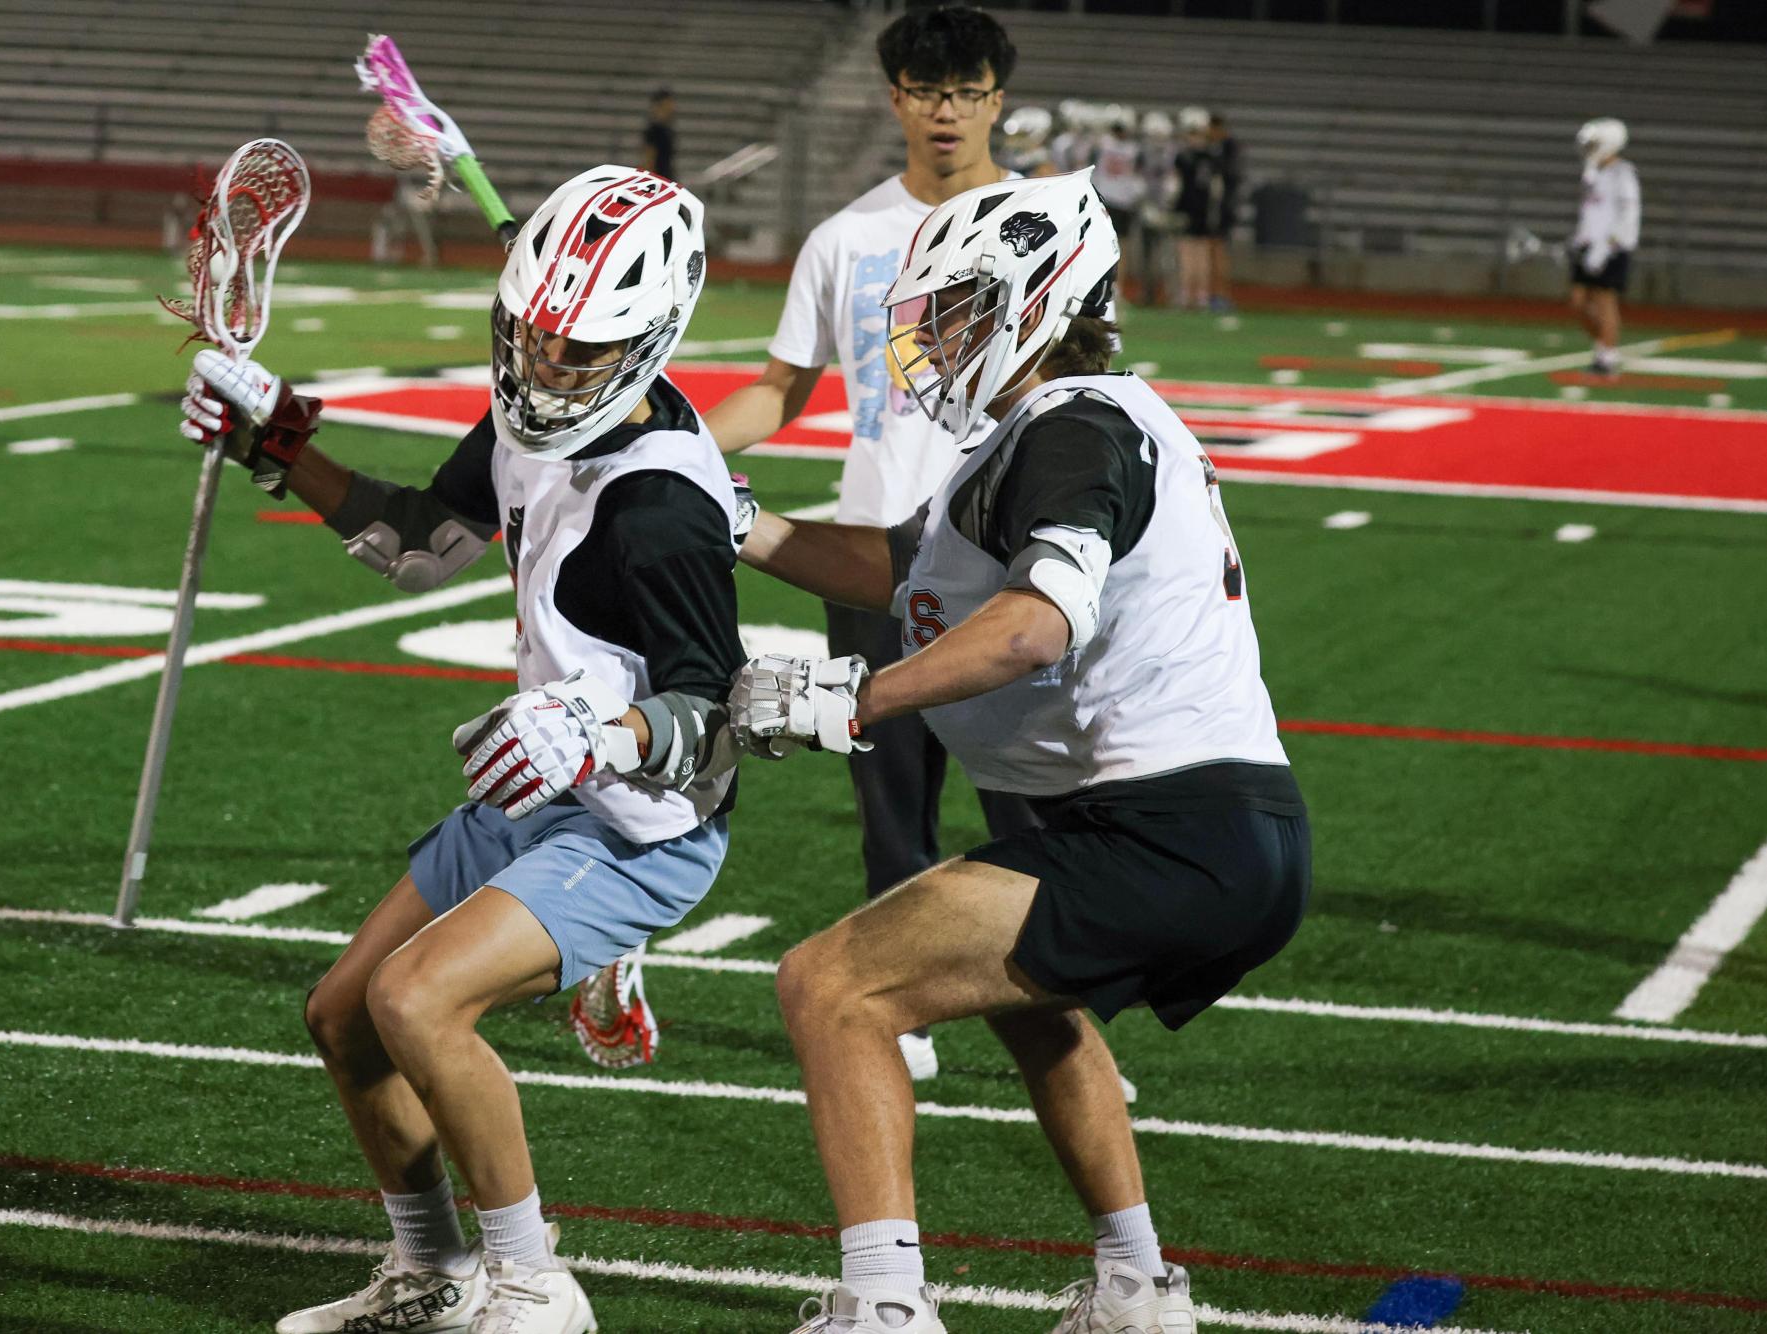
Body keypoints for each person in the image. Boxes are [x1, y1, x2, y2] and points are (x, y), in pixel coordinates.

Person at [728, 170, 1310, 1334]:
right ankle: (1138, 1287)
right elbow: (899, 573)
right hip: (1216, 827)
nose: (932, 338)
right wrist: (739, 519)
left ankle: (883, 1304)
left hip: (1161, 826)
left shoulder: (1074, 427)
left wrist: (855, 698)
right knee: (1028, 1005)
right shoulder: (1072, 424)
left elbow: (1039, 619)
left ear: (1034, 303)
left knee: (830, 986)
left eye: (955, 309)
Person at [182, 165, 742, 1334]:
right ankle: (431, 1272)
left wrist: (600, 725)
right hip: (542, 784)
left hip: (639, 823)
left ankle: (536, 1283)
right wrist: (276, 440)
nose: (541, 369)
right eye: (528, 337)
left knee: (416, 998)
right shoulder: (534, 410)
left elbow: (718, 714)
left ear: (649, 342)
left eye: (574, 351)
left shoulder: (664, 505)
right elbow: (425, 542)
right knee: (341, 1011)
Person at [703, 2, 1041, 1084]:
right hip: (872, 555)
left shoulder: (1050, 225)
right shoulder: (844, 237)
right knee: (893, 804)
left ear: (1000, 97)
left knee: (1031, 806)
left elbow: (1084, 386)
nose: (948, 112)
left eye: (969, 90)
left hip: (1009, 554)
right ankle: (903, 1015)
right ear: (895, 96)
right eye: (928, 90)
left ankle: (1061, 1022)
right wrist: (672, 444)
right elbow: (777, 392)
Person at [1569, 117, 1640, 378]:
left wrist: (1607, 247)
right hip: (1588, 246)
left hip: (1611, 248)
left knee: (1605, 302)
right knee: (1578, 302)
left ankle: (1607, 357)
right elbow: (1591, 212)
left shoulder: (1623, 174)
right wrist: (1581, 239)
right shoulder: (1593, 172)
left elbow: (1627, 217)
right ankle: (1603, 345)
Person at [1093, 104, 1145, 304]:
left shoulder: (1101, 144)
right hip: (1121, 201)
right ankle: (1116, 287)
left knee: (1110, 246)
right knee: (1120, 247)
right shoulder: (1133, 149)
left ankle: (1110, 286)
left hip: (1106, 199)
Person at [1171, 106, 1218, 309]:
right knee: (1200, 254)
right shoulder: (1211, 156)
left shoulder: (1183, 157)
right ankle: (1201, 295)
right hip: (1204, 209)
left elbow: (1174, 186)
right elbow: (1217, 188)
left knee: (1189, 253)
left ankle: (1188, 295)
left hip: (1187, 208)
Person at [1135, 109, 1179, 307]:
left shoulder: (1173, 153)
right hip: (1147, 208)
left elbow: (1174, 181)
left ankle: (1172, 295)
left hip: (1167, 209)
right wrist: (1144, 203)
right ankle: (1148, 293)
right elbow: (1136, 179)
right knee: (1145, 256)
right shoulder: (1142, 152)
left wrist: (1170, 204)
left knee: (1169, 256)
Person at [1206, 113, 1241, 311]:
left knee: (1218, 249)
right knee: (1214, 249)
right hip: (1219, 205)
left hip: (1221, 206)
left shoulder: (1227, 148)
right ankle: (1215, 293)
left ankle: (1221, 294)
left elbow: (1229, 176)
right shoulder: (1221, 147)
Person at [641, 89, 677, 180]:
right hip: (658, 178)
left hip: (666, 177)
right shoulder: (654, 130)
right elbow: (649, 158)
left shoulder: (667, 128)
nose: (672, 107)